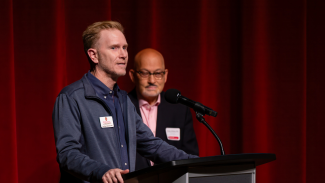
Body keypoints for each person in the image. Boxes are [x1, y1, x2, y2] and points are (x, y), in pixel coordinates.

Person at [52, 21, 198, 183]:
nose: (123, 54)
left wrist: (195, 162)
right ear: (94, 55)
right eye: (114, 48)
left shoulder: (123, 100)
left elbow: (151, 145)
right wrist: (101, 171)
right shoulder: (72, 97)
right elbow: (67, 153)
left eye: (125, 47)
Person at [128, 48, 199, 171]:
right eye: (145, 73)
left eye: (157, 73)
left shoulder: (180, 110)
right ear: (133, 76)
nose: (152, 80)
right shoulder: (122, 106)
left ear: (165, 75)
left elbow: (190, 157)